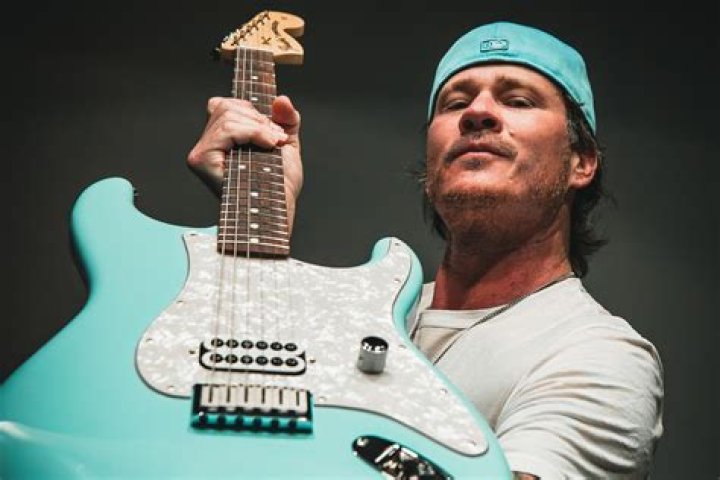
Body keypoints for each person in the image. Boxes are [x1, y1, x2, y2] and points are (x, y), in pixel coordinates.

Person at [187, 21, 664, 480]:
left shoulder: (600, 357)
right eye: (455, 103)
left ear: (581, 162)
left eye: (518, 100)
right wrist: (258, 203)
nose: (477, 112)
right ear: (432, 161)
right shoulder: (349, 317)